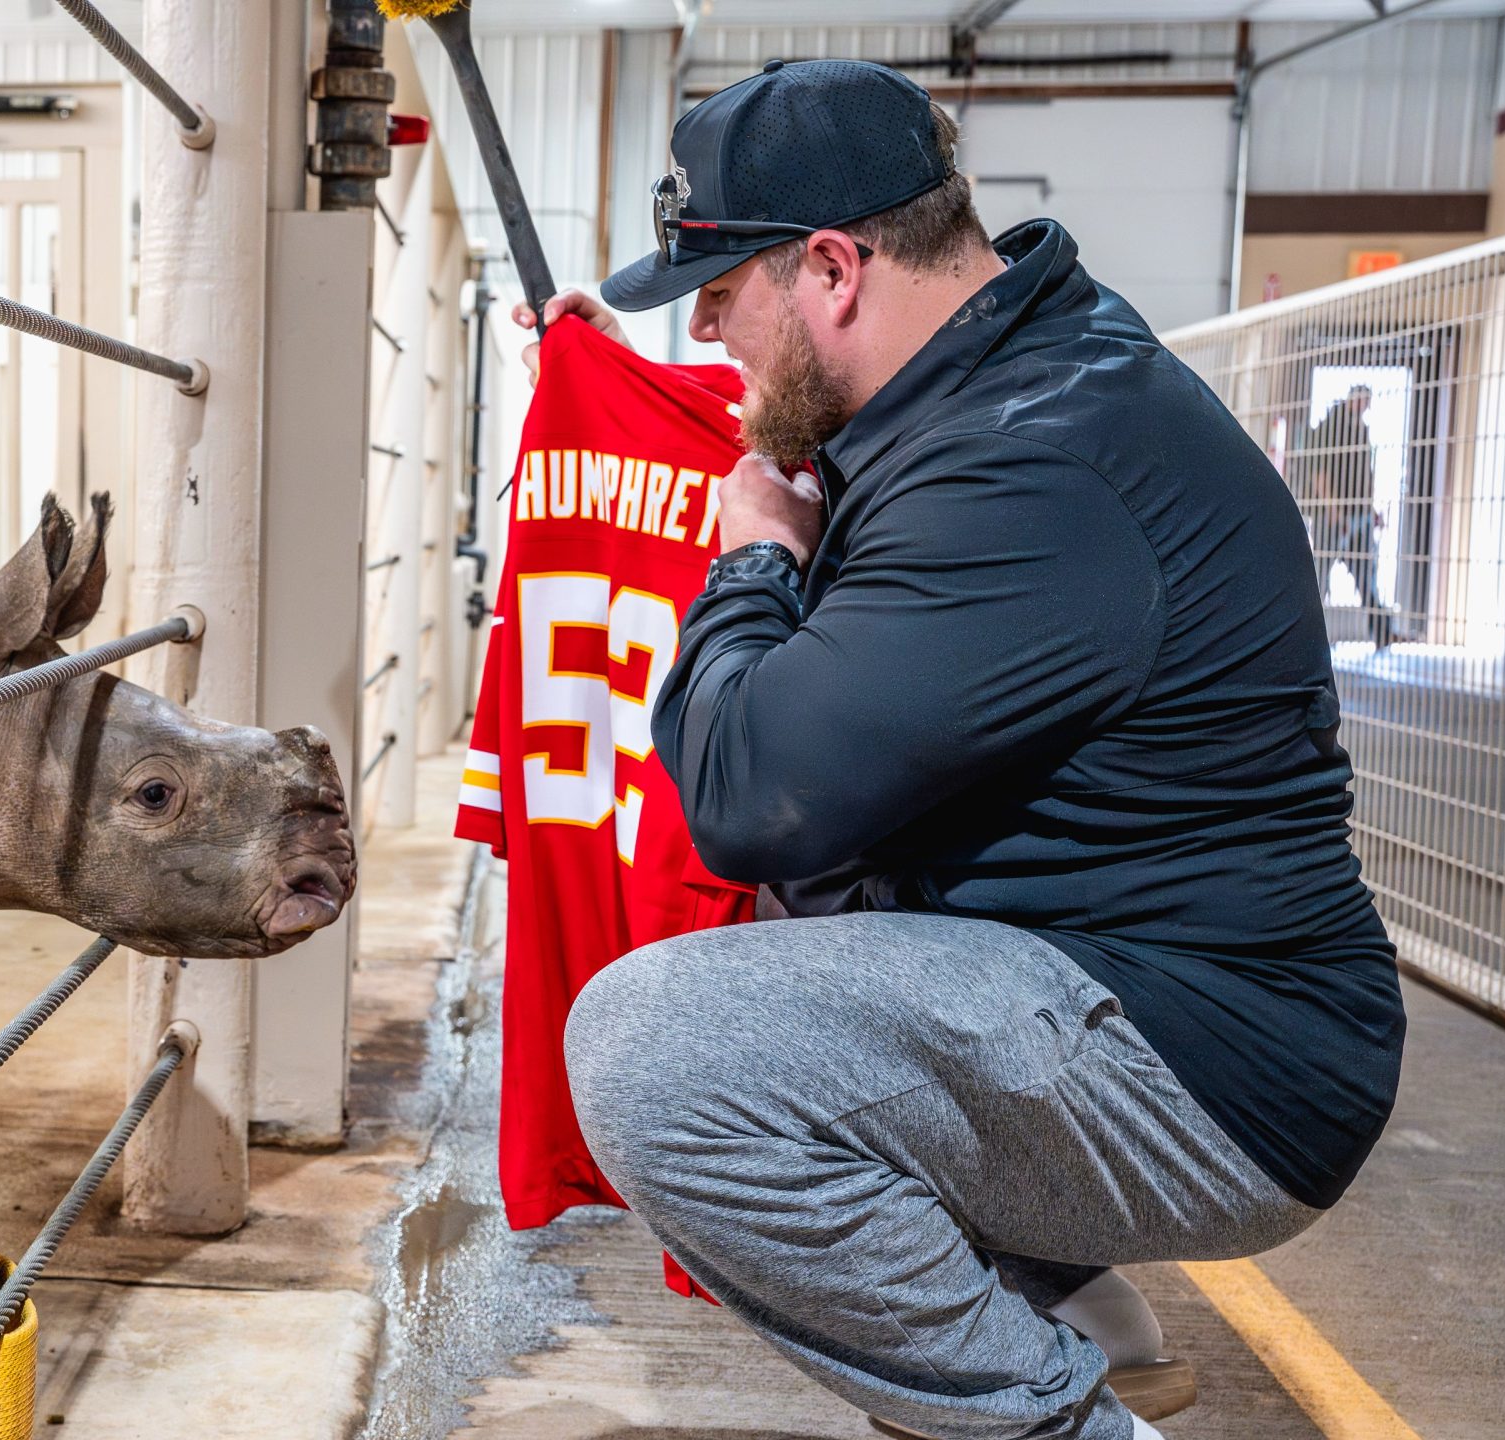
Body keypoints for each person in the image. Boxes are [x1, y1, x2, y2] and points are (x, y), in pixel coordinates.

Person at [525, 60, 1403, 1440]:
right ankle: (1074, 1311)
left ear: (831, 268)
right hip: (1121, 983)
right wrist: (625, 374)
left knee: (659, 1051)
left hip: (1219, 1067)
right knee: (814, 907)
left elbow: (746, 797)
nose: (703, 328)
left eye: (720, 290)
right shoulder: (993, 383)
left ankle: (1065, 1417)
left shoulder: (1031, 465)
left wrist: (751, 563)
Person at [1301, 384, 1396, 647]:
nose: (1365, 406)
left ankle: (1383, 632)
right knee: (1319, 576)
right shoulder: (1330, 425)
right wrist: (1333, 508)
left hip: (1359, 515)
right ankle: (1308, 636)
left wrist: (1370, 509)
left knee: (1367, 576)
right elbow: (1319, 471)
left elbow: (1362, 474)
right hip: (1333, 515)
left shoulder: (1361, 429)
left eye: (1368, 402)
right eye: (1363, 400)